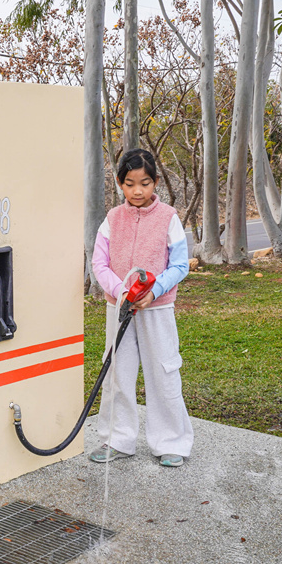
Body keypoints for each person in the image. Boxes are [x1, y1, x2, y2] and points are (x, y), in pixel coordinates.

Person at [89, 148, 193, 467]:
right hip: (119, 308)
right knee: (118, 373)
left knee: (163, 371)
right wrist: (121, 290)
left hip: (156, 309)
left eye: (145, 183)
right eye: (130, 183)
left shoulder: (169, 218)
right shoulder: (112, 219)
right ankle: (118, 439)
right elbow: (99, 263)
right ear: (120, 184)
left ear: (155, 183)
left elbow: (179, 265)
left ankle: (171, 441)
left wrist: (155, 289)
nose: (138, 191)